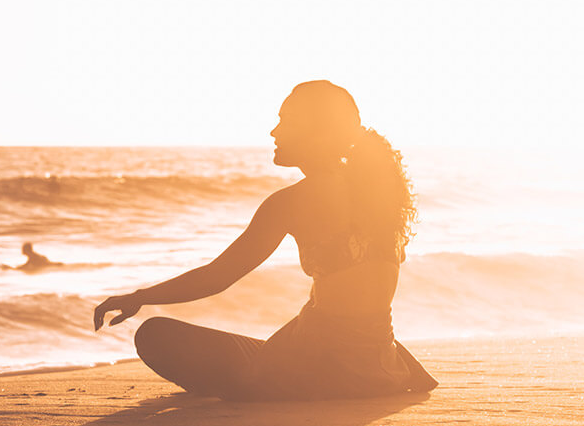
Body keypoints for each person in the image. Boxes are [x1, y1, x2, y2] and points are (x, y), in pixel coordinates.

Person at [93, 80, 437, 401]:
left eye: (286, 121)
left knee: (154, 336)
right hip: (381, 366)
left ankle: (264, 384)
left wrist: (141, 297)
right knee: (259, 347)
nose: (274, 131)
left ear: (318, 133)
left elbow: (219, 276)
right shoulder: (378, 190)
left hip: (326, 370)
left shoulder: (292, 202)